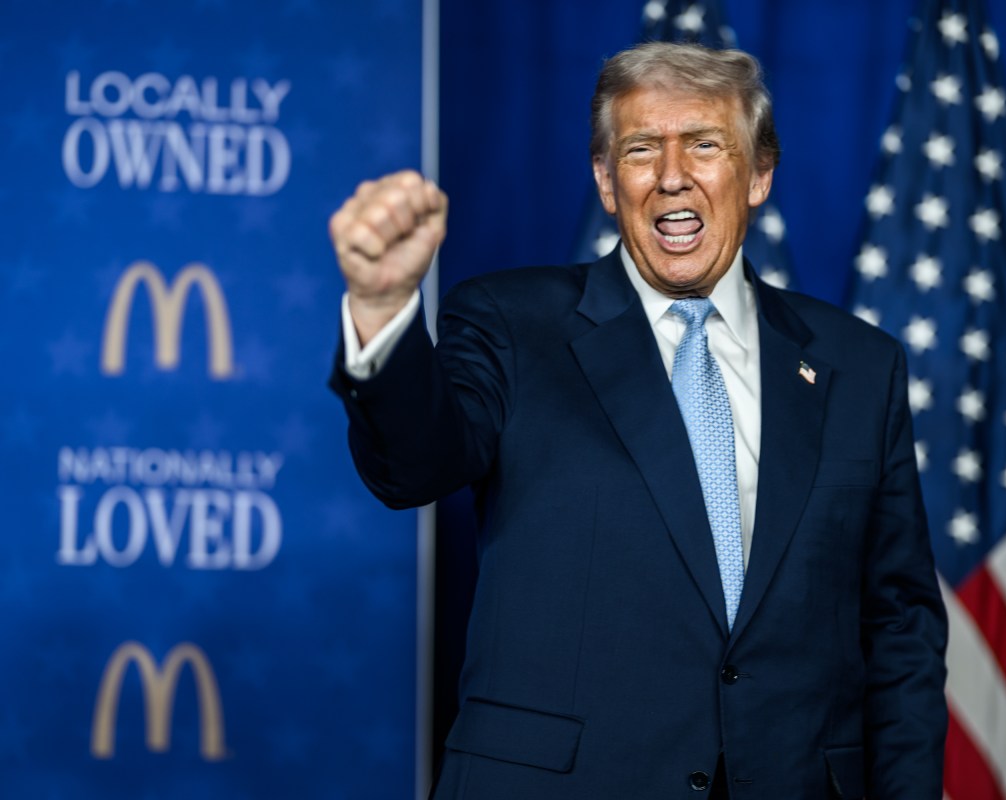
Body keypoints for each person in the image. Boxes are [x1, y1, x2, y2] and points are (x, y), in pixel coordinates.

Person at [328, 42, 947, 800]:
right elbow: (413, 466)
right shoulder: (510, 323)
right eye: (642, 149)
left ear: (759, 175)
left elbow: (900, 627)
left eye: (706, 145)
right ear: (606, 180)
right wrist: (386, 309)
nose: (673, 175)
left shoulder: (860, 364)